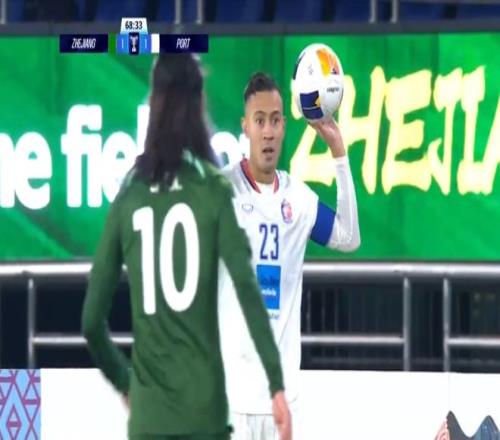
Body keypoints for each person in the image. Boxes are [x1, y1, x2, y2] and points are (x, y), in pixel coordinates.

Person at [81, 55, 292, 440]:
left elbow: (92, 321)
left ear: (154, 102)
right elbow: (247, 289)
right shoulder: (213, 189)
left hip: (149, 422)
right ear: (199, 104)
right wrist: (276, 384)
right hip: (204, 418)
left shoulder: (130, 194)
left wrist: (126, 383)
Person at [218, 72, 361, 439]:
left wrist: (338, 152)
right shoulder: (221, 192)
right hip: (229, 402)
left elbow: (349, 237)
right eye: (259, 121)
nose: (268, 132)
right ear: (245, 127)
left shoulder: (298, 200)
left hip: (283, 404)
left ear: (284, 125)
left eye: (275, 120)